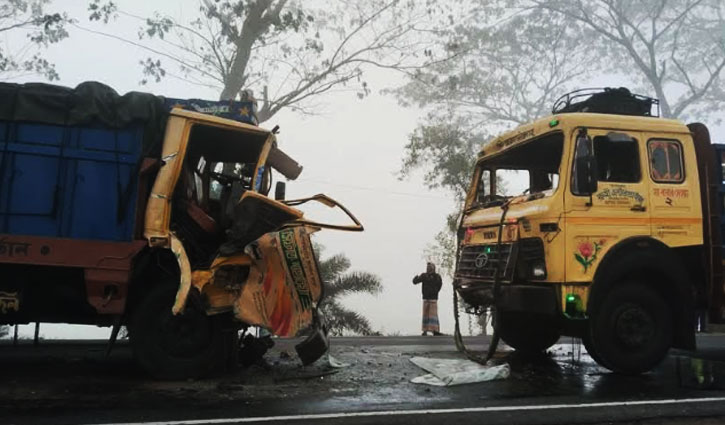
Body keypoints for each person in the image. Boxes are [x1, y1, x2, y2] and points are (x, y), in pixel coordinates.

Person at [413, 262, 443, 336]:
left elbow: (439, 285)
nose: (428, 269)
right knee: (425, 315)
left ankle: (435, 330)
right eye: (428, 268)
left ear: (433, 268)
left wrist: (435, 292)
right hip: (426, 298)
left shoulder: (437, 276)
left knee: (433, 315)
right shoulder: (424, 276)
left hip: (433, 298)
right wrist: (416, 277)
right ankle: (425, 330)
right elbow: (415, 282)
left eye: (430, 268)